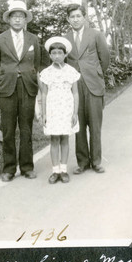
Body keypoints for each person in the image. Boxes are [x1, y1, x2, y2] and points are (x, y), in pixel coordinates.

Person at [0, 0, 40, 182]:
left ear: (25, 19)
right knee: (8, 129)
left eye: (21, 16)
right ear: (9, 19)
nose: (18, 20)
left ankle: (27, 167)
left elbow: (37, 64)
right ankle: (9, 169)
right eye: (14, 16)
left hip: (27, 88)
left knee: (26, 128)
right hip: (6, 89)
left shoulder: (33, 39)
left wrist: (31, 80)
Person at [65, 4, 110, 174]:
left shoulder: (96, 34)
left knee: (95, 125)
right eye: (72, 16)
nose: (75, 19)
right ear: (68, 19)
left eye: (78, 16)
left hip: (93, 85)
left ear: (84, 17)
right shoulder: (65, 38)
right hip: (74, 87)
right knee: (79, 125)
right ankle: (82, 162)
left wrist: (95, 73)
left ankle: (96, 161)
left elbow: (105, 58)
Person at [39, 37, 80, 184]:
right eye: (54, 53)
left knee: (65, 139)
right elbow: (43, 93)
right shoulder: (46, 72)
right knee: (54, 139)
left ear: (65, 55)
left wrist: (75, 112)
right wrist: (43, 113)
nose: (57, 56)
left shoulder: (71, 71)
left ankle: (63, 170)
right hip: (52, 110)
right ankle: (55, 171)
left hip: (67, 109)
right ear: (50, 55)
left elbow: (75, 93)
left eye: (60, 53)